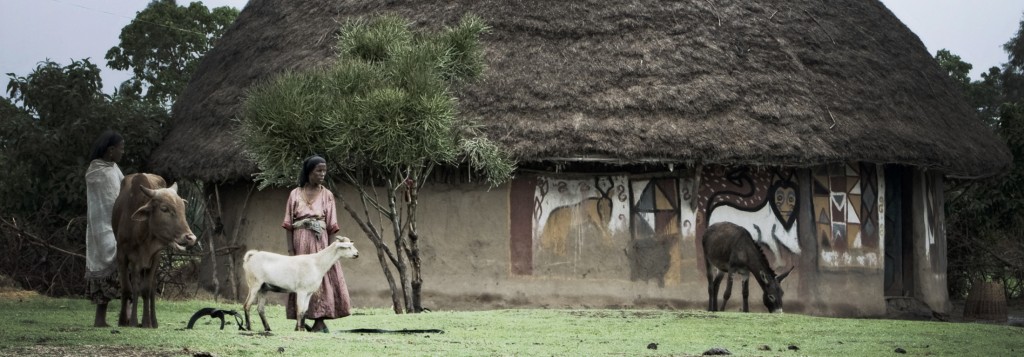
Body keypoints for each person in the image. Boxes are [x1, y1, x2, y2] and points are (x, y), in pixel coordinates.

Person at [281, 155, 351, 332]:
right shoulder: (295, 194)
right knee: (300, 281)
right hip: (300, 244)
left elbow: (332, 226)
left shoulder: (327, 195)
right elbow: (288, 224)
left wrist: (332, 252)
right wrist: (291, 250)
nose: (322, 174)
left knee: (320, 280)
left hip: (320, 245)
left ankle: (320, 320)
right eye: (318, 171)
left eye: (324, 171)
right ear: (308, 172)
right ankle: (301, 320)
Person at [84, 130, 125, 327]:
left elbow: (122, 192)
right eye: (120, 148)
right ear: (110, 150)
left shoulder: (114, 169)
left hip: (115, 227)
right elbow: (111, 201)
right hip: (102, 229)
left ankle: (125, 316)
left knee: (126, 271)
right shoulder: (97, 172)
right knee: (111, 269)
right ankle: (100, 319)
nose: (122, 152)